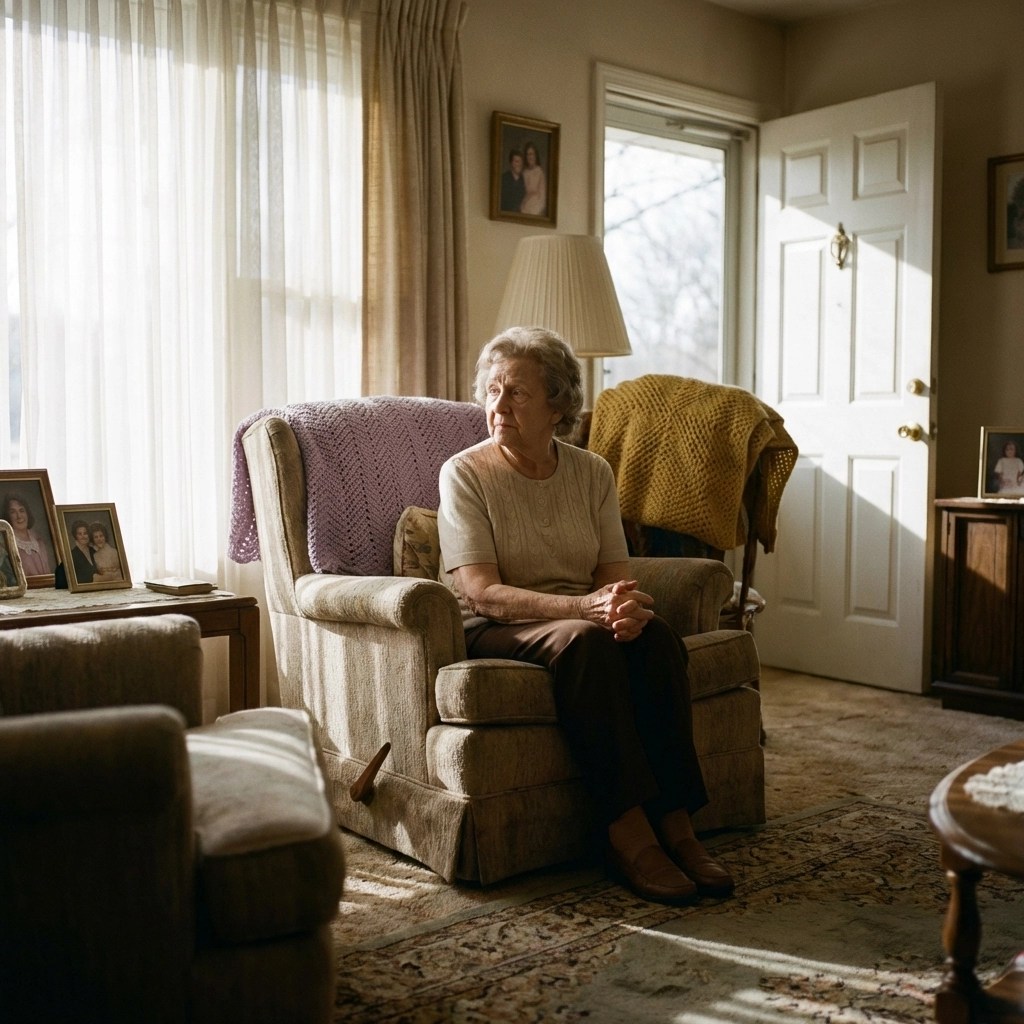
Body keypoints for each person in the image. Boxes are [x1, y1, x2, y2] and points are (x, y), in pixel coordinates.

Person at [437, 326, 734, 905]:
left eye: (517, 392)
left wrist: (619, 609)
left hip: (579, 616)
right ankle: (628, 836)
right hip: (498, 624)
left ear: (558, 404)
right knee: (585, 643)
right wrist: (585, 610)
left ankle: (678, 827)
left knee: (656, 640)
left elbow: (611, 575)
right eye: (492, 389)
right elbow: (481, 591)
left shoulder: (592, 471)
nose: (498, 404)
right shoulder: (465, 473)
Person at [2, 492, 56, 577]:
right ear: (8, 516)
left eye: (21, 510)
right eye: (13, 512)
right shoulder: (5, 545)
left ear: (27, 513)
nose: (19, 516)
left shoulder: (39, 541)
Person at [519, 141, 546, 217]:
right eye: (527, 154)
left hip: (535, 210)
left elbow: (542, 197)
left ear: (535, 155)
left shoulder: (539, 172)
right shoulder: (524, 173)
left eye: (531, 154)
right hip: (523, 209)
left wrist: (534, 211)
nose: (529, 157)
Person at [68, 519, 97, 584]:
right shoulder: (72, 555)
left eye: (85, 533)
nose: (83, 536)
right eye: (80, 534)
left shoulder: (93, 551)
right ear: (75, 536)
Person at [500, 148, 526, 213]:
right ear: (511, 163)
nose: (519, 164)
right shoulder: (504, 179)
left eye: (521, 162)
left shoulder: (524, 180)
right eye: (516, 161)